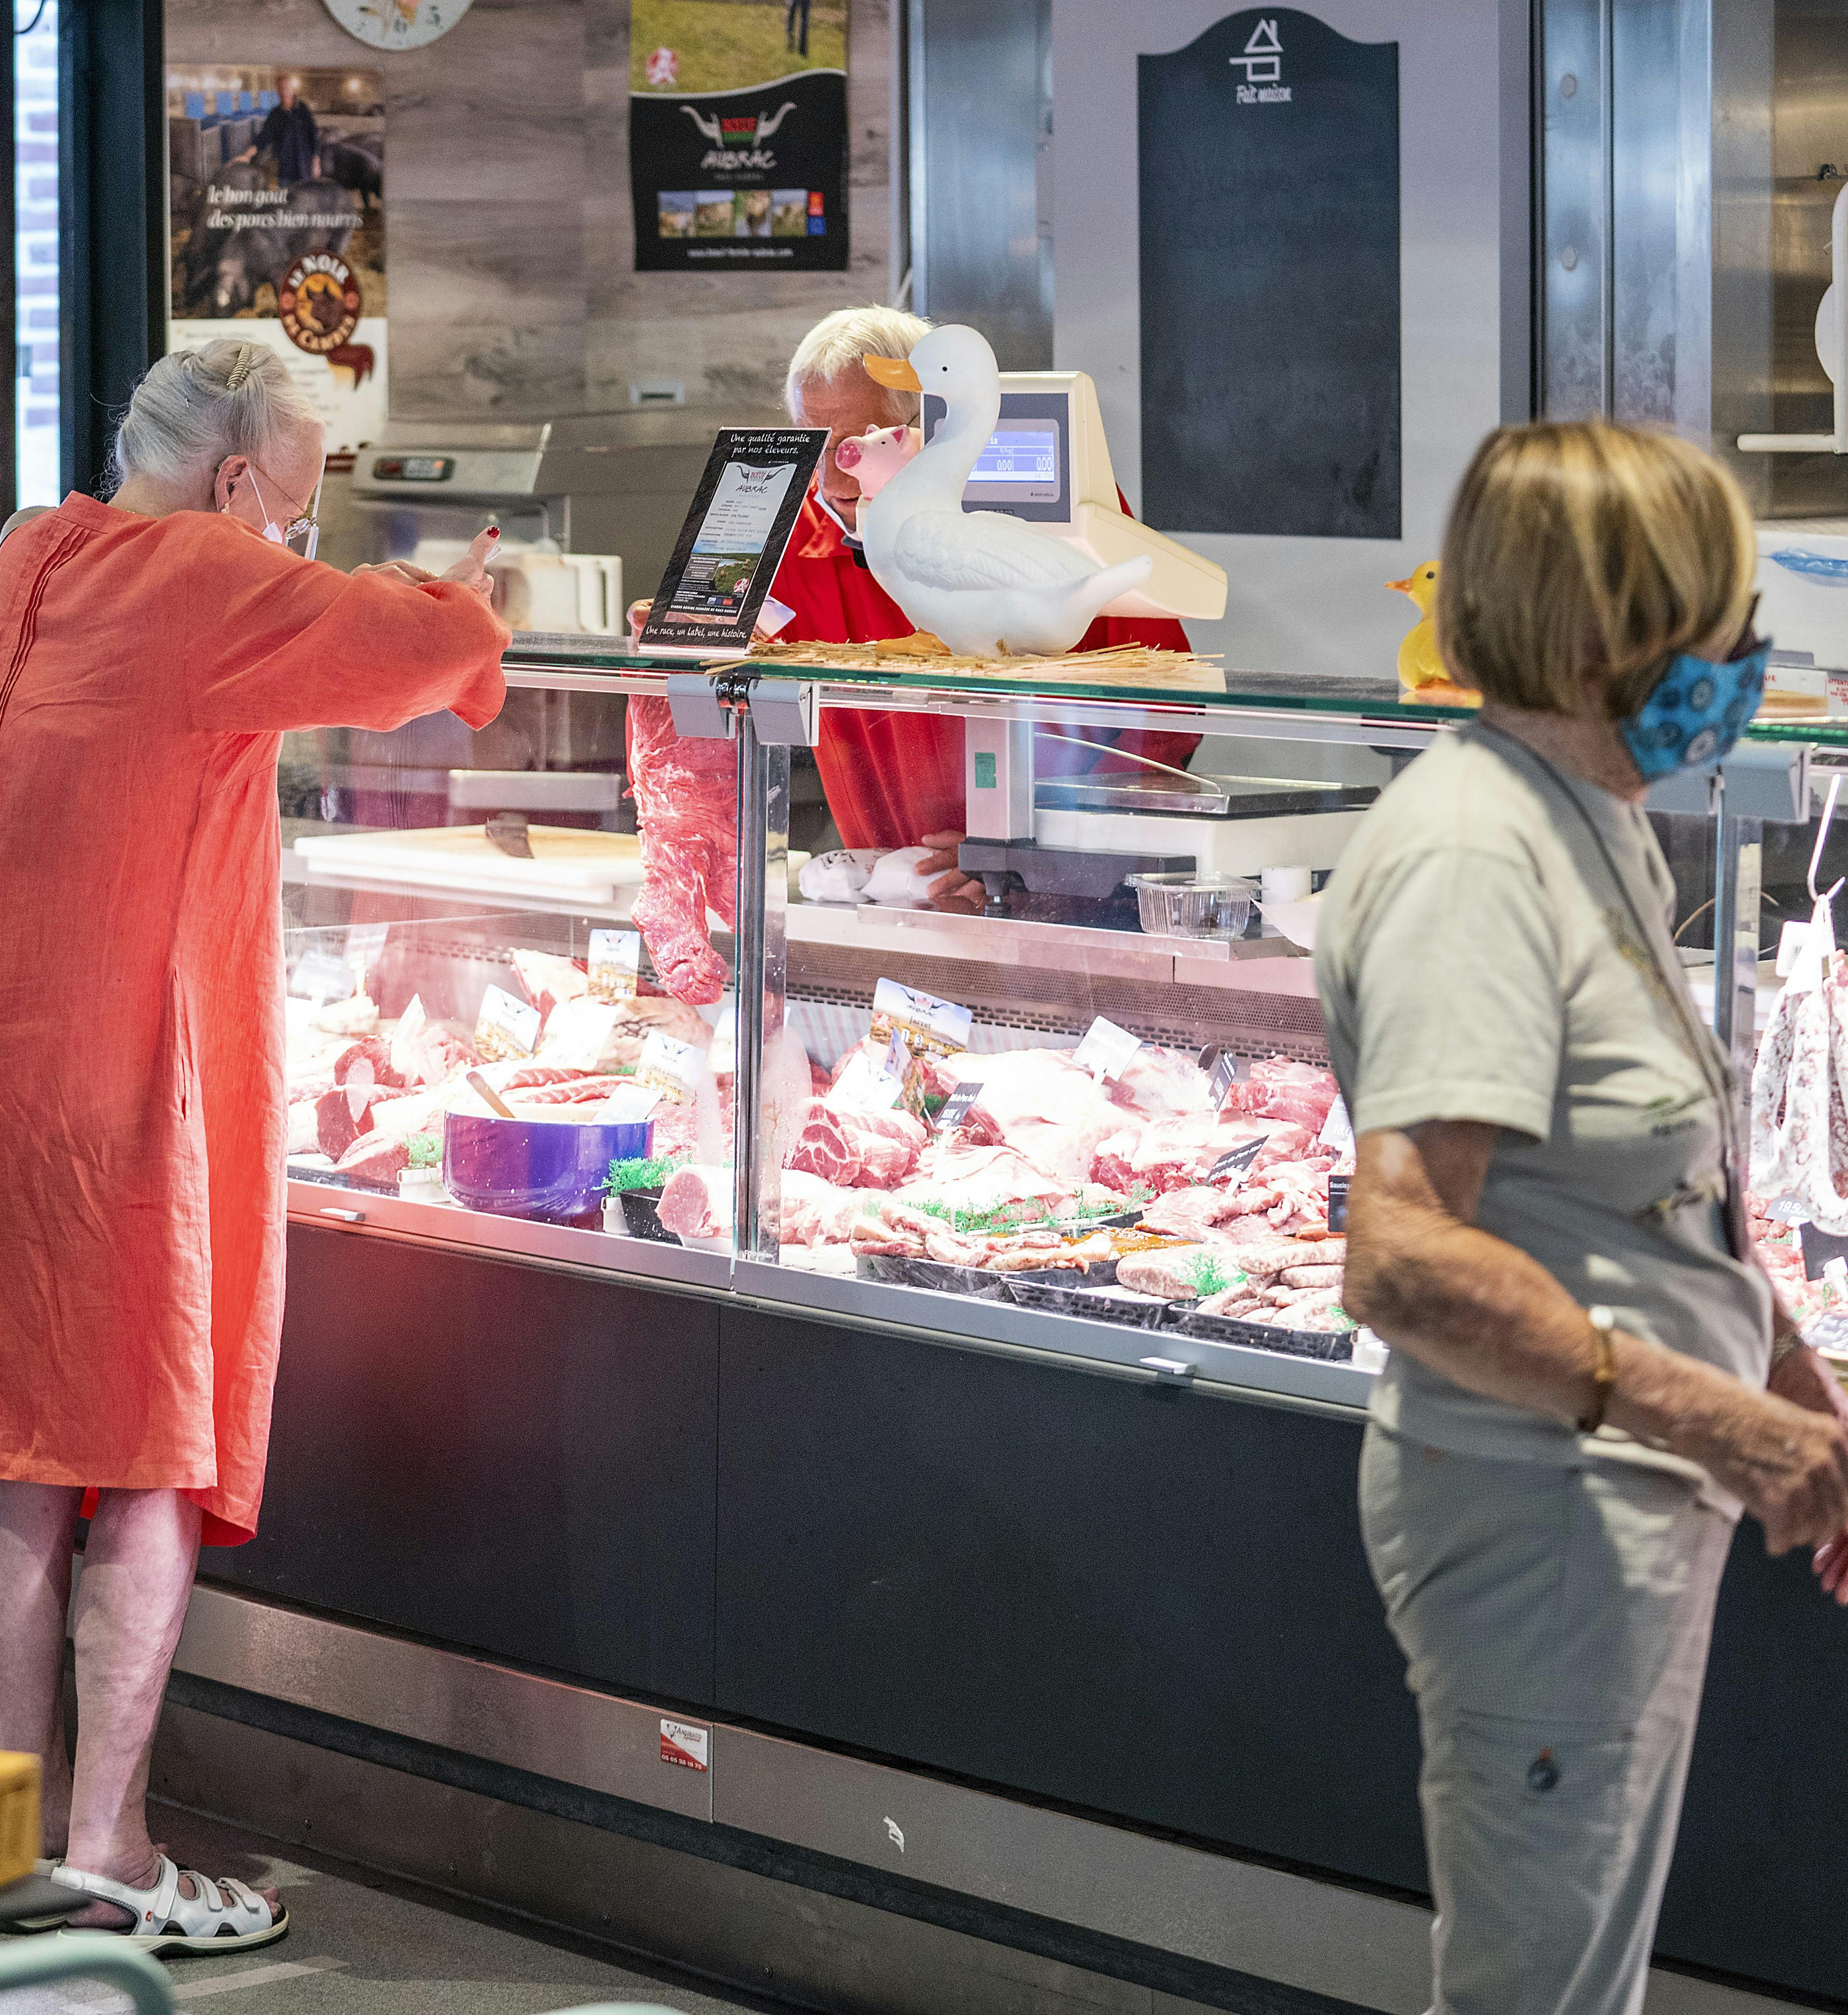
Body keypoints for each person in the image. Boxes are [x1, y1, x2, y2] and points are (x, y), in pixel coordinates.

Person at [0, 340, 507, 1949]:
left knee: (15, 1445)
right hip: (95, 1057)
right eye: (309, 478)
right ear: (236, 482)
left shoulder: (36, 545)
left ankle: (7, 1826)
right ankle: (113, 1847)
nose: (313, 509)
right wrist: (475, 595)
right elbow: (424, 653)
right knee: (141, 1438)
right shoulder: (207, 575)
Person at [1324, 419, 1848, 2015]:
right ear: (1597, 631)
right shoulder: (1475, 855)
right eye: (1714, 627)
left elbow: (1649, 1181)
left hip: (1607, 1501)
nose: (1744, 664)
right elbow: (1404, 1255)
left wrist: (1791, 1390)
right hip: (1536, 1509)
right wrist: (1719, 1422)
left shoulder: (1585, 807)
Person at [765, 306, 1200, 858]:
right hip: (886, 884)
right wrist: (681, 624)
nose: (831, 480)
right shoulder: (796, 533)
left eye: (856, 444)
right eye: (813, 447)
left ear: (925, 427)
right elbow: (723, 679)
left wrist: (1031, 853)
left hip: (1054, 877)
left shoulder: (1061, 506)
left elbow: (1168, 712)